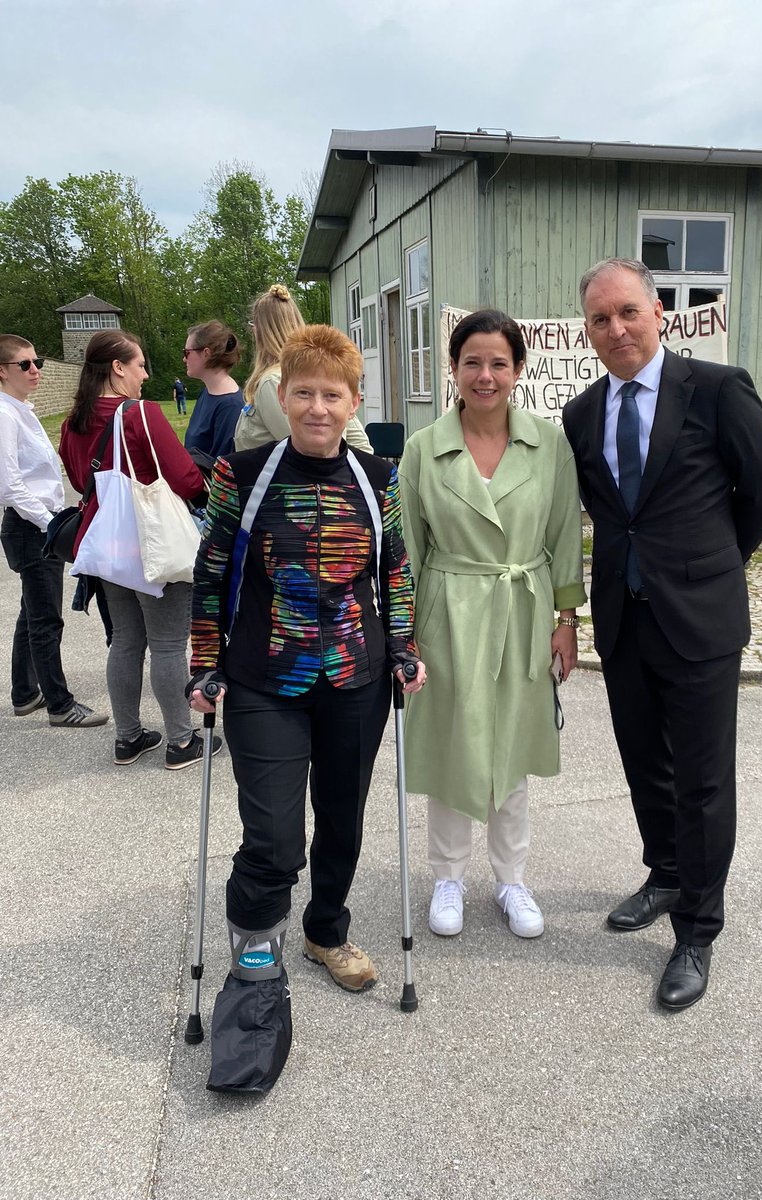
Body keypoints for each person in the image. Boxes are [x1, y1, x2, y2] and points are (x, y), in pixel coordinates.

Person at [188, 324, 424, 1090]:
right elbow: (212, 567)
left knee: (344, 821)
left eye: (333, 394)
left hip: (356, 679)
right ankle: (256, 965)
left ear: (354, 401)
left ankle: (325, 930)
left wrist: (403, 649)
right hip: (263, 679)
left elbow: (395, 569)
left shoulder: (376, 474)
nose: (318, 407)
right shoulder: (245, 471)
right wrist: (203, 664)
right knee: (274, 834)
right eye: (304, 393)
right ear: (281, 396)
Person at [562, 258, 762, 1010]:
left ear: (658, 312)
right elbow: (605, 508)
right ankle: (664, 873)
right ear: (587, 330)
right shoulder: (583, 412)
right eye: (600, 318)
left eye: (627, 311)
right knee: (644, 766)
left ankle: (697, 928)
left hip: (700, 620)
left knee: (702, 779)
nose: (616, 328)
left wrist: (711, 566)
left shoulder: (718, 389)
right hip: (625, 619)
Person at [399, 309, 585, 941]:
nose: (485, 375)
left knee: (511, 745)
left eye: (498, 363)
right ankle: (448, 875)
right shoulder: (424, 448)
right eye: (472, 362)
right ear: (452, 370)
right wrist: (407, 628)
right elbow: (410, 546)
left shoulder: (548, 442)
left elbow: (563, 532)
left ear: (518, 370)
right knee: (454, 743)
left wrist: (567, 617)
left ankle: (511, 877)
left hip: (523, 607)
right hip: (448, 610)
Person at [59, 330, 215, 768]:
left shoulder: (76, 420)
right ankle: (181, 741)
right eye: (141, 365)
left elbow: (77, 479)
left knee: (125, 641)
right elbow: (185, 477)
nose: (146, 374)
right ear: (118, 367)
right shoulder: (139, 414)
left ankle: (128, 737)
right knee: (167, 645)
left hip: (108, 546)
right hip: (154, 544)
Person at [0, 335, 108, 727]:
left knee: (32, 612)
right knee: (46, 619)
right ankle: (61, 706)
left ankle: (25, 693)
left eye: (37, 362)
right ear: (2, 371)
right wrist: (50, 526)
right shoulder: (5, 415)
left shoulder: (21, 410)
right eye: (24, 365)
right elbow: (9, 485)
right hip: (31, 526)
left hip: (37, 522)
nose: (34, 370)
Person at [234, 283, 373, 454]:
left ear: (260, 329)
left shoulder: (274, 381)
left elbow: (313, 454)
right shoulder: (316, 376)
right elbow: (359, 441)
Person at [183, 320, 243, 459]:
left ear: (206, 353)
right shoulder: (206, 392)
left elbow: (222, 467)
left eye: (187, 353)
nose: (184, 359)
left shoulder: (231, 406)